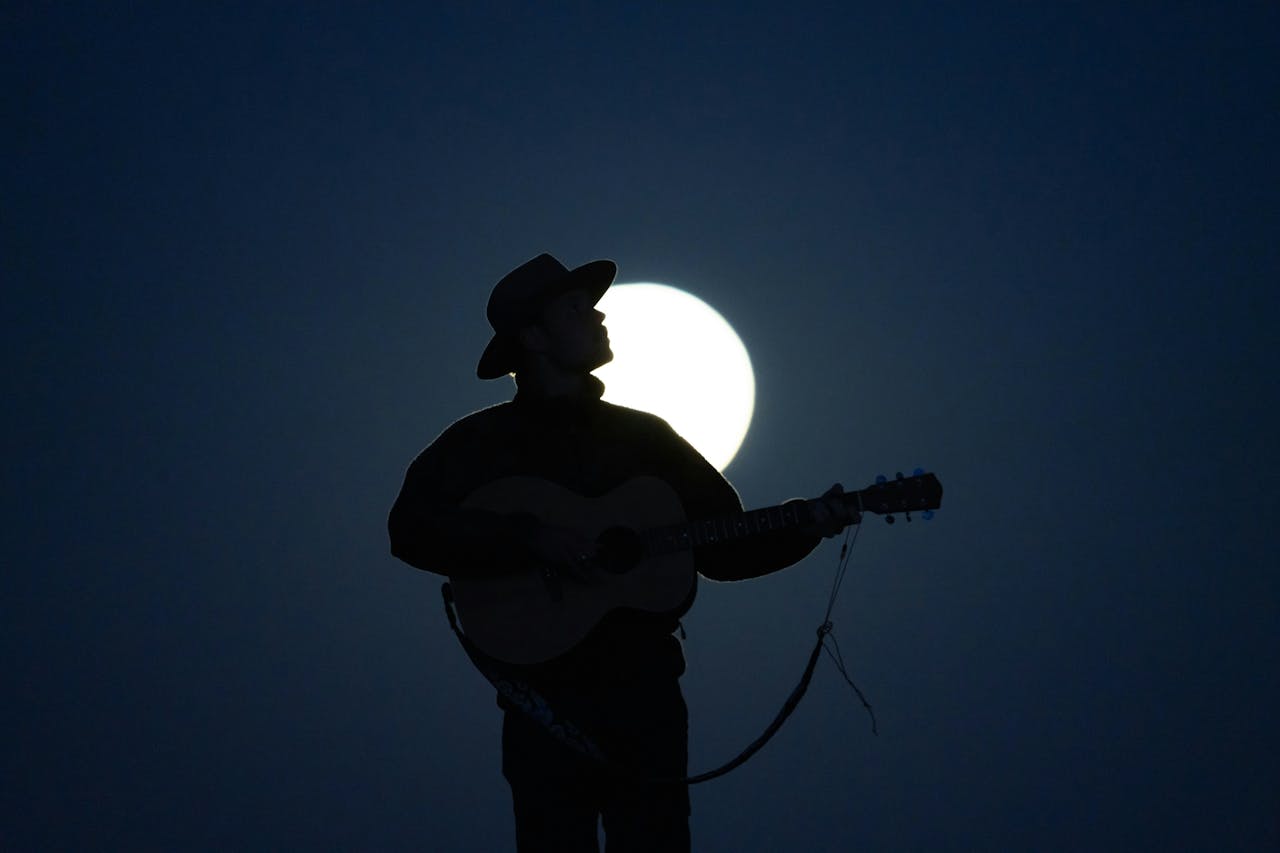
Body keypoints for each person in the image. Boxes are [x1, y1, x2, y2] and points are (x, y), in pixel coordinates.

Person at [388, 253, 852, 853]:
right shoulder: (476, 446)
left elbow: (724, 547)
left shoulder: (645, 437)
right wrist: (528, 538)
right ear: (532, 337)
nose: (600, 315)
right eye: (577, 309)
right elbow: (411, 529)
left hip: (646, 696)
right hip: (543, 704)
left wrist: (807, 525)